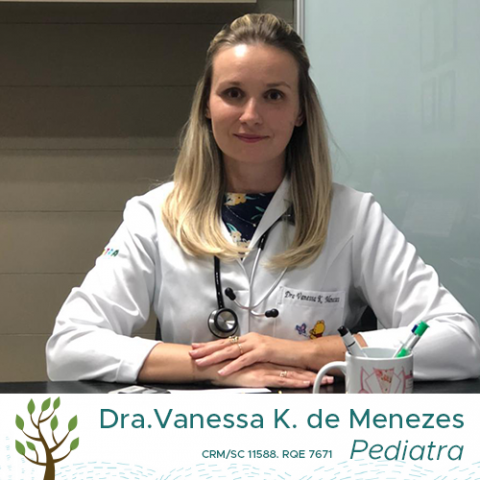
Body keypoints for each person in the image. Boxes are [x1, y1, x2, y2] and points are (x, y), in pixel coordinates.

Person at [46, 13, 480, 387]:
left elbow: (459, 340)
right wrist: (216, 368)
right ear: (207, 106)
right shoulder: (154, 215)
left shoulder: (353, 216)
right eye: (233, 93)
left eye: (274, 95)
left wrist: (299, 353)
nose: (251, 115)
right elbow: (69, 346)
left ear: (300, 111)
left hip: (314, 438)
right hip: (194, 435)